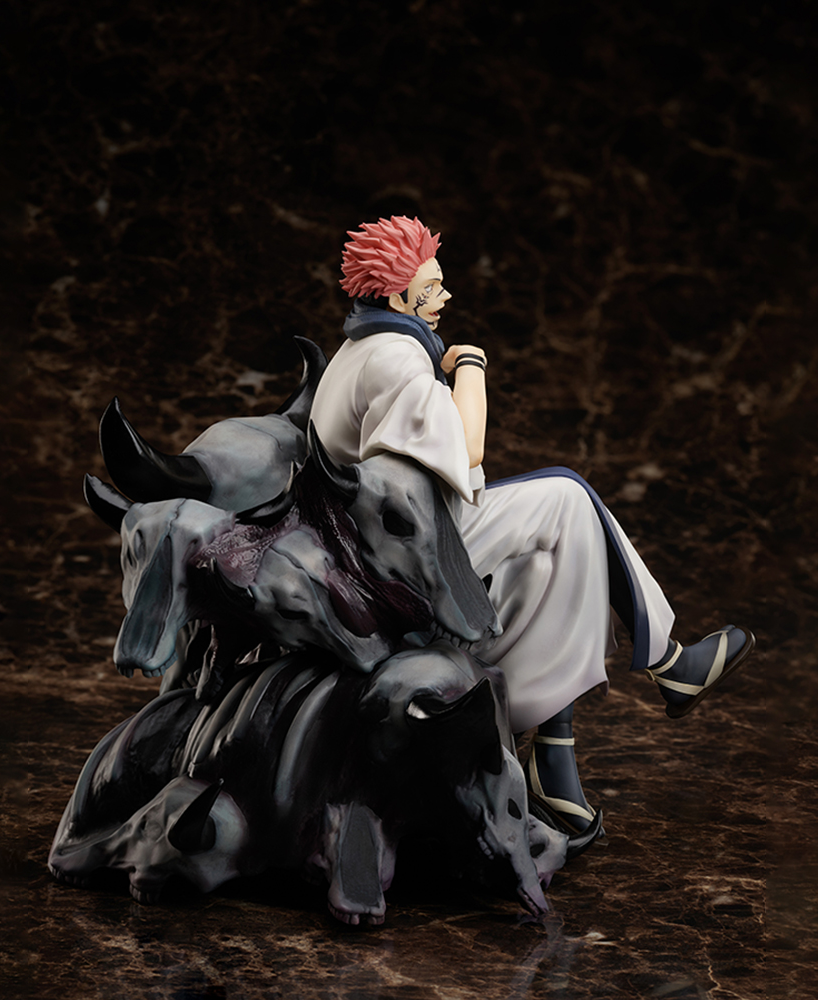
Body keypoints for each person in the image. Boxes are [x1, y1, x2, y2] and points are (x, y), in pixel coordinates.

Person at [309, 216, 755, 831]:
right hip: (396, 558)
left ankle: (555, 761)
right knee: (569, 497)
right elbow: (467, 449)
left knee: (549, 565)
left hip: (388, 535)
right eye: (431, 289)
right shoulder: (395, 358)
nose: (444, 298)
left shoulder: (361, 348)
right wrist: (471, 366)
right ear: (395, 298)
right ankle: (668, 664)